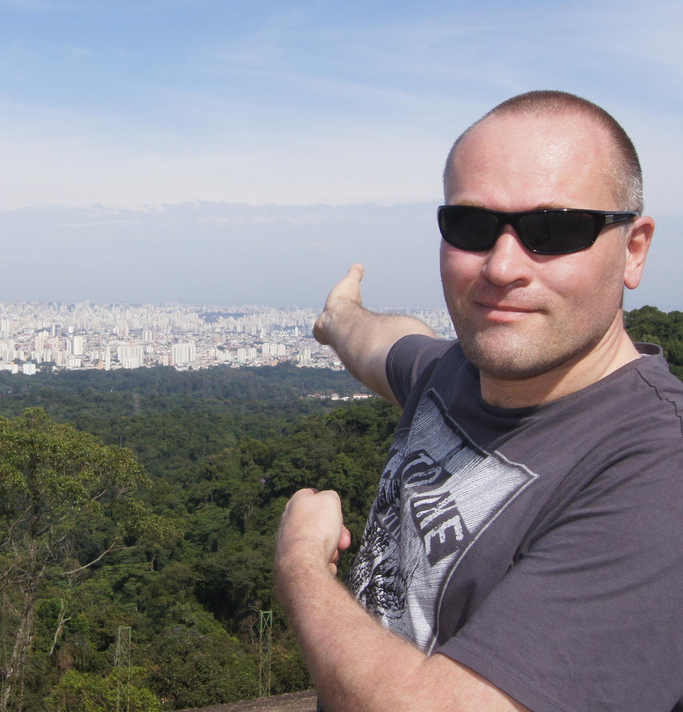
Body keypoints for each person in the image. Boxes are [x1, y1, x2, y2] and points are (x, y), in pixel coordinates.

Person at [274, 90, 683, 712]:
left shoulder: (657, 470)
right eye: (472, 226)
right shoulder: (454, 374)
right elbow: (386, 344)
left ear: (633, 249)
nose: (501, 265)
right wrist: (340, 317)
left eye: (554, 230)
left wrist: (301, 566)